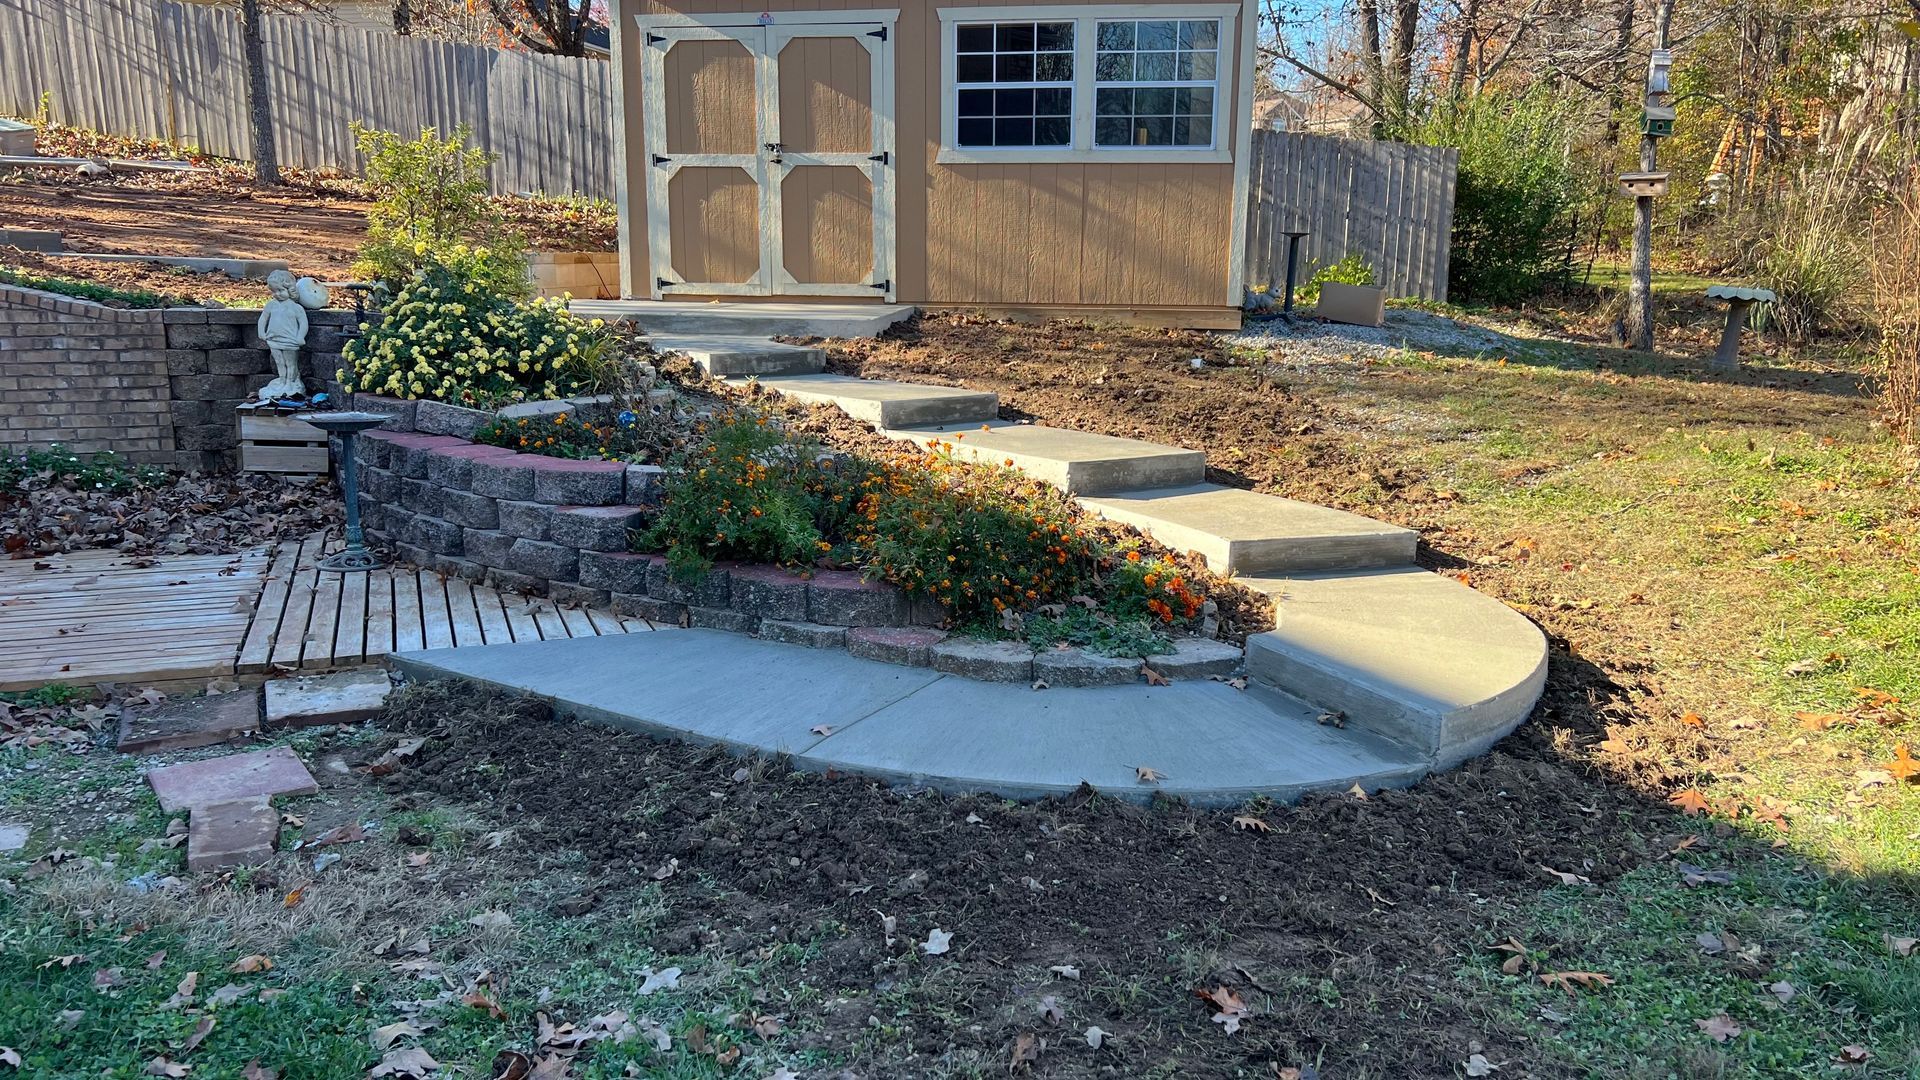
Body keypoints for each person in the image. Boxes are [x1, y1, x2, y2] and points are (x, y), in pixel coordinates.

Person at [256, 269, 310, 400]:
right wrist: (261, 332)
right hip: (274, 339)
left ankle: (291, 383)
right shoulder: (271, 305)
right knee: (279, 362)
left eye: (280, 290)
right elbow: (263, 319)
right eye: (274, 291)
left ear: (290, 289)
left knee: (291, 363)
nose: (277, 294)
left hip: (290, 340)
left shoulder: (296, 308)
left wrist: (300, 336)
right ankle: (282, 380)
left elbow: (303, 324)